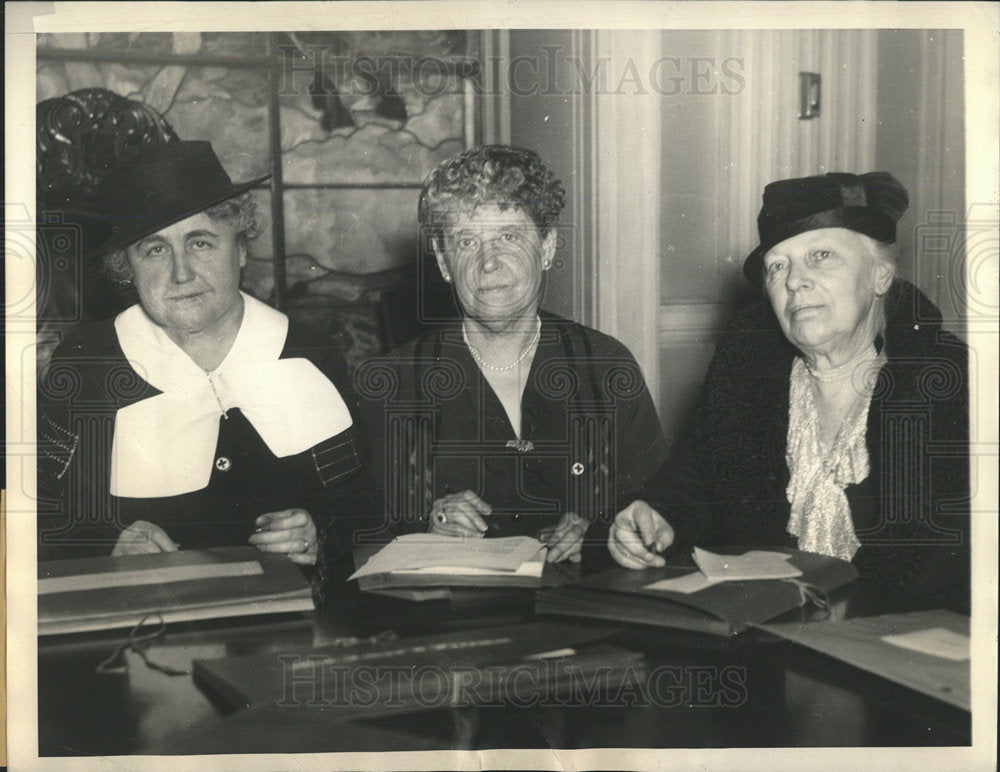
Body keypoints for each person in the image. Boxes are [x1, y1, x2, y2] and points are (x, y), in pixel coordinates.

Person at [608, 172, 969, 608]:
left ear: (880, 275)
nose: (795, 281)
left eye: (821, 255)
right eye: (778, 266)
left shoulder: (952, 388)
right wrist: (655, 515)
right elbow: (692, 485)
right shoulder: (748, 380)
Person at [37, 141, 372, 574]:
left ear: (241, 248)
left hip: (293, 613)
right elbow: (40, 512)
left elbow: (359, 502)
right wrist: (105, 544)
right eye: (155, 250)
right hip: (145, 616)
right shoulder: (86, 364)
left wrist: (318, 533)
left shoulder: (308, 353)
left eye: (200, 243)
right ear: (127, 268)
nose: (181, 273)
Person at [358, 145, 668, 563]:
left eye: (509, 236)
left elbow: (657, 507)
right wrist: (424, 526)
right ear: (445, 263)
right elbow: (359, 534)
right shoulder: (392, 384)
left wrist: (603, 528)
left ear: (547, 248)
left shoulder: (606, 366)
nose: (489, 263)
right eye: (467, 241)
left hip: (585, 610)